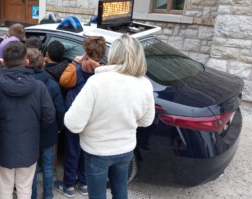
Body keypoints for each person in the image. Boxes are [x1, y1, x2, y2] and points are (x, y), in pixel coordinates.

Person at [64, 34, 155, 199]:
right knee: (121, 192)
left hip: (98, 151)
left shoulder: (97, 82)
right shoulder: (144, 84)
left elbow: (73, 124)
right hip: (125, 149)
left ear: (114, 54)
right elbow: (146, 120)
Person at [0, 41, 55, 199]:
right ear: (26, 62)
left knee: (4, 190)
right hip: (29, 148)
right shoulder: (39, 87)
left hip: (2, 149)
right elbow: (49, 117)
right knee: (25, 190)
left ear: (3, 62)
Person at [54, 36, 106, 197]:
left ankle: (69, 186)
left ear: (86, 51)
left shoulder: (78, 68)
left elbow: (63, 81)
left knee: (72, 151)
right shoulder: (105, 71)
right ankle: (84, 184)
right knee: (87, 152)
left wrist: (74, 63)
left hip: (76, 116)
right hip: (94, 118)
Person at [26, 48, 65, 199]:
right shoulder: (52, 84)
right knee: (49, 165)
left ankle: (33, 195)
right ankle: (48, 195)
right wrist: (60, 127)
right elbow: (60, 109)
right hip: (49, 130)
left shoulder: (23, 83)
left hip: (30, 133)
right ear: (42, 62)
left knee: (32, 168)